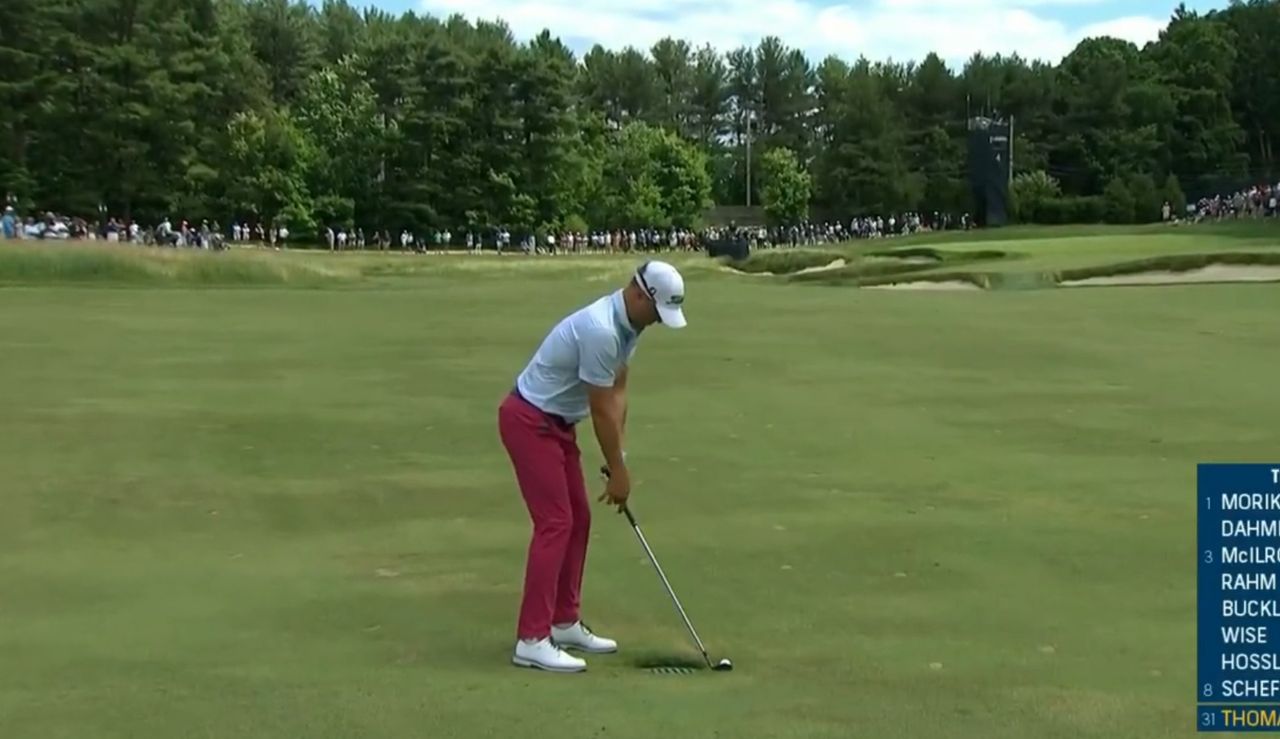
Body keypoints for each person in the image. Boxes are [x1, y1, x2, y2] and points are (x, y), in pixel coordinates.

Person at [498, 260, 688, 673]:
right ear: (639, 293)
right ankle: (532, 639)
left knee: (578, 519)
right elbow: (600, 410)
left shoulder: (628, 327)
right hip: (529, 421)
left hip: (556, 425)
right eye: (656, 312)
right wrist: (617, 469)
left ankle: (563, 622)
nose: (657, 322)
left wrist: (617, 458)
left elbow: (618, 392)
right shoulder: (602, 329)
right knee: (555, 522)